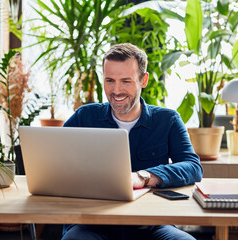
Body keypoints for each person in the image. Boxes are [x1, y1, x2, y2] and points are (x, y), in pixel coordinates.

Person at [61, 43, 203, 240]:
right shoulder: (84, 117)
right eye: (110, 80)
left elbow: (193, 167)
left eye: (126, 81)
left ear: (143, 80)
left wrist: (144, 177)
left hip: (151, 225)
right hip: (92, 224)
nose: (116, 90)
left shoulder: (168, 120)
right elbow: (56, 160)